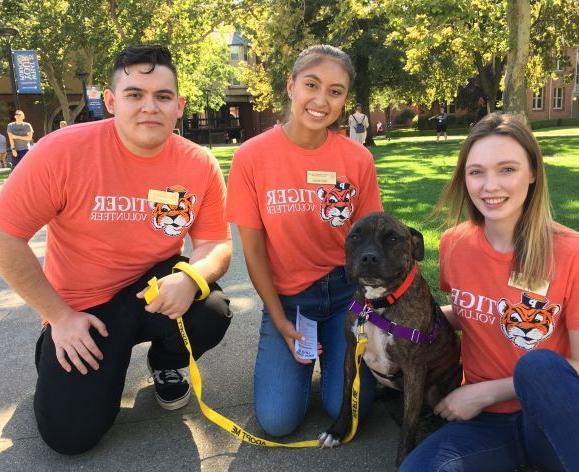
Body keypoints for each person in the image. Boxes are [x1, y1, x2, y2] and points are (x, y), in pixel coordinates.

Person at [0, 45, 232, 455]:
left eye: (162, 96)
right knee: (69, 437)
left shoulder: (198, 163)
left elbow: (215, 244)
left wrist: (191, 277)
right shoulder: (61, 151)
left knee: (211, 310)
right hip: (81, 312)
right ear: (110, 101)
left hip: (153, 294)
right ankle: (57, 347)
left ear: (179, 106)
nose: (149, 107)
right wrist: (58, 317)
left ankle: (164, 365)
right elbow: (5, 235)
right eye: (134, 94)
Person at [400, 113, 579, 471]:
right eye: (476, 171)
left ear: (532, 174)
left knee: (540, 365)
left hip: (550, 416)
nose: (489, 185)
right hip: (488, 423)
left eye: (507, 169)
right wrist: (393, 325)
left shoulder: (571, 253)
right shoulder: (454, 243)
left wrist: (486, 392)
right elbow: (468, 311)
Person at [226, 44, 383, 437]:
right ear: (291, 86)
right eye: (311, 85)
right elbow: (254, 250)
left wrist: (369, 312)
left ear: (345, 99)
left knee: (345, 408)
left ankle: (339, 368)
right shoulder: (251, 157)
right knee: (277, 422)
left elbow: (371, 244)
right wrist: (279, 320)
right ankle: (301, 367)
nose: (321, 100)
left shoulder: (357, 159)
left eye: (335, 91)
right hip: (291, 302)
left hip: (346, 296)